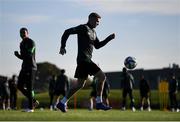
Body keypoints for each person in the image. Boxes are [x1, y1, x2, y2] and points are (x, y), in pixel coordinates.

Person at [57, 12, 115, 112]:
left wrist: (109, 39)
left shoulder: (94, 32)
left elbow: (97, 46)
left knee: (80, 85)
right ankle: (99, 102)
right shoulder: (83, 28)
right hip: (84, 59)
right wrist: (63, 46)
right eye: (97, 21)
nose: (98, 23)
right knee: (102, 77)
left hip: (84, 60)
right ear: (91, 19)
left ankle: (62, 103)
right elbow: (67, 32)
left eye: (99, 22)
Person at [14, 27, 39, 112]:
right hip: (24, 67)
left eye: (24, 33)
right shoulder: (21, 43)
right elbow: (23, 57)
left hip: (31, 67)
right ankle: (34, 101)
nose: (22, 34)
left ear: (27, 33)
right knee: (19, 86)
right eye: (21, 33)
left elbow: (29, 54)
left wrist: (21, 55)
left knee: (29, 87)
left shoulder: (31, 42)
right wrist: (17, 55)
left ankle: (31, 108)